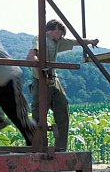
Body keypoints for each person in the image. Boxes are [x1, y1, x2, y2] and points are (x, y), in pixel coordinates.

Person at [26, 19, 98, 151]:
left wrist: (90, 41)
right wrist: (43, 72)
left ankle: (60, 151)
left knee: (63, 113)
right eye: (61, 34)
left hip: (53, 80)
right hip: (40, 80)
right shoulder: (40, 39)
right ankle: (35, 150)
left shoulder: (56, 42)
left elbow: (75, 41)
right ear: (55, 30)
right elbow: (31, 57)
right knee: (38, 118)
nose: (62, 37)